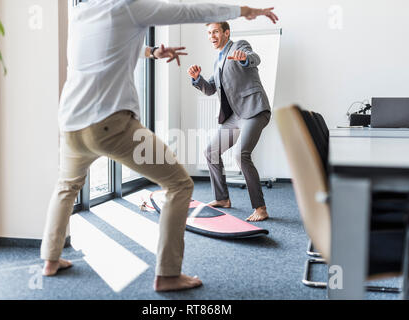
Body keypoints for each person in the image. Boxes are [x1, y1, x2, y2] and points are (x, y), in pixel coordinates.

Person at [40, 0, 279, 292]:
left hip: (70, 122)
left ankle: (50, 259)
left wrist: (152, 52)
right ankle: (167, 275)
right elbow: (190, 12)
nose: (212, 36)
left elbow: (110, 47)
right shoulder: (127, 6)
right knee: (179, 184)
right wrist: (244, 10)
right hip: (110, 122)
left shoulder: (80, 12)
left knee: (66, 187)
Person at [188, 21, 272, 222]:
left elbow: (254, 58)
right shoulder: (218, 62)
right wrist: (197, 78)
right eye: (209, 33)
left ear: (226, 32)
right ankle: (222, 198)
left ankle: (260, 208)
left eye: (215, 31)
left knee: (241, 155)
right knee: (210, 151)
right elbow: (209, 89)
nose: (212, 36)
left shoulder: (239, 46)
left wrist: (244, 59)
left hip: (254, 110)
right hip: (235, 116)